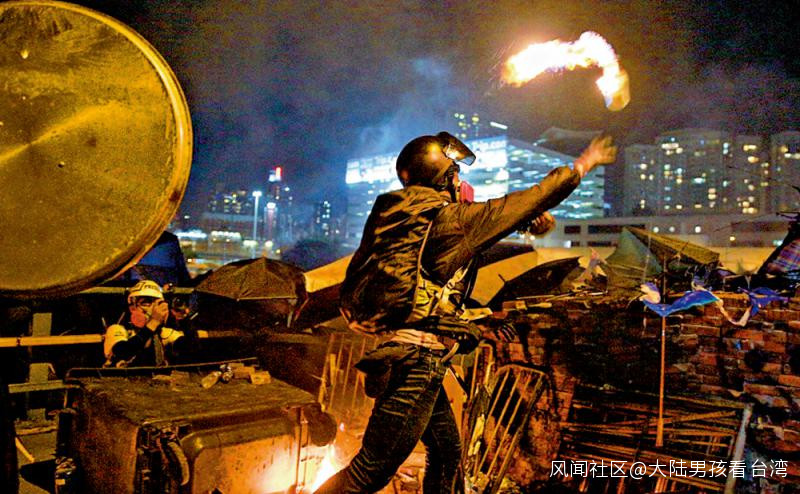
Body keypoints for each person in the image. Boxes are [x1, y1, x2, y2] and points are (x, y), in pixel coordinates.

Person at [316, 132, 616, 493]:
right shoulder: (447, 220)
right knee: (371, 471)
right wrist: (583, 164)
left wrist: (527, 222)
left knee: (447, 453)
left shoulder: (411, 220)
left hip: (412, 355)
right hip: (416, 362)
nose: (460, 181)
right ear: (443, 176)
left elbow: (467, 250)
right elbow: (525, 201)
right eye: (456, 173)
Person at [103, 280, 190, 367]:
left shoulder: (163, 333)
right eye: (146, 302)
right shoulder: (117, 329)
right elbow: (122, 352)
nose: (153, 309)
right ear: (132, 307)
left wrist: (183, 319)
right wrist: (153, 323)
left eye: (158, 304)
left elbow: (190, 349)